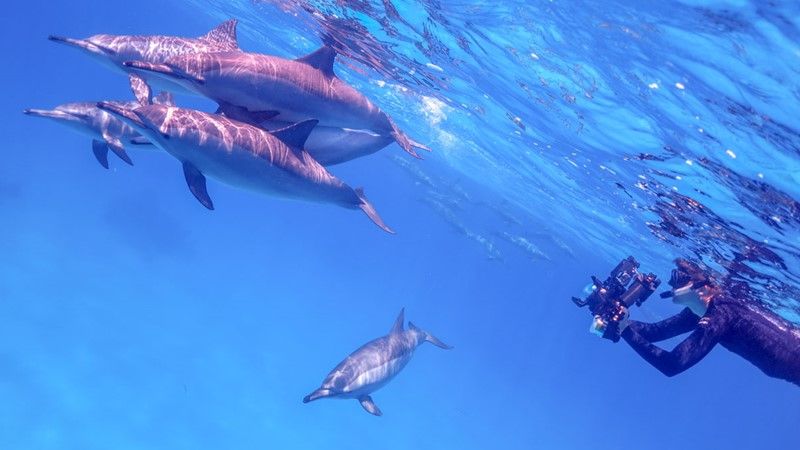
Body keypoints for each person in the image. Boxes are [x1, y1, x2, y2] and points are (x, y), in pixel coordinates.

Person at [617, 259, 800, 386]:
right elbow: (654, 332)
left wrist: (624, 329)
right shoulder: (700, 312)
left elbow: (673, 364)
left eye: (680, 277)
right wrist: (616, 316)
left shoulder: (722, 313)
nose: (672, 283)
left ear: (703, 287)